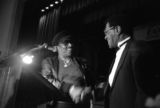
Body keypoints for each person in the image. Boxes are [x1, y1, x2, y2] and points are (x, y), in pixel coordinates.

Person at [103, 14, 154, 108]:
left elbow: (144, 93)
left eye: (106, 32)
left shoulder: (136, 49)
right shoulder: (117, 55)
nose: (105, 37)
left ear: (117, 30)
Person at [40, 31, 93, 108]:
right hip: (60, 104)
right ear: (56, 47)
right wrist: (70, 88)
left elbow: (91, 83)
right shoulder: (49, 62)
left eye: (71, 42)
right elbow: (48, 80)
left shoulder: (82, 62)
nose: (70, 45)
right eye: (66, 43)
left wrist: (88, 91)